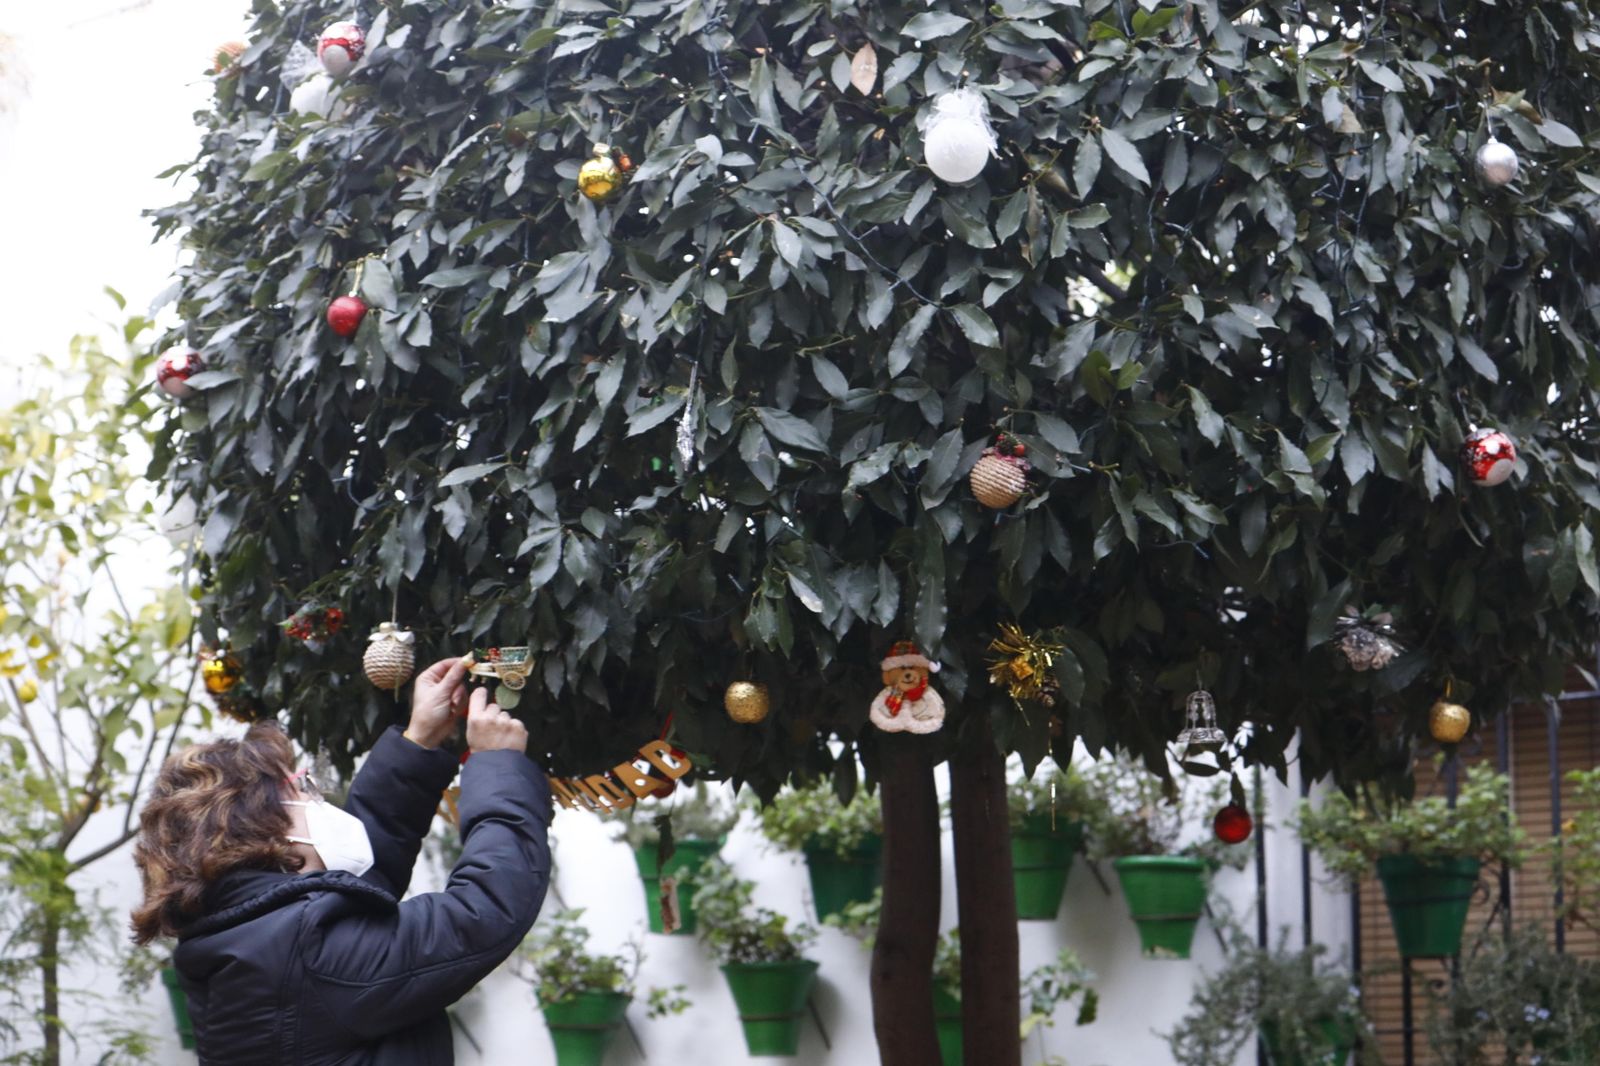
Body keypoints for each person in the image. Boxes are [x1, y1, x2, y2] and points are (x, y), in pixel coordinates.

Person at [131, 656, 550, 1064]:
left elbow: (363, 875)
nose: (316, 799)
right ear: (263, 828)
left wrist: (418, 743)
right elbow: (483, 913)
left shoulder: (248, 935)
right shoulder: (309, 954)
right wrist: (499, 765)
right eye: (301, 789)